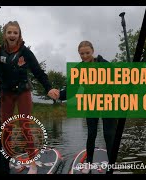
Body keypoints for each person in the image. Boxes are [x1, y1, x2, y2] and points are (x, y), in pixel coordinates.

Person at [0, 21, 59, 174]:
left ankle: (33, 164)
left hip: (23, 92)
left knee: (25, 127)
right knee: (6, 129)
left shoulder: (25, 52)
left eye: (15, 32)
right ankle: (5, 163)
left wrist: (48, 88)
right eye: (9, 32)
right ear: (5, 34)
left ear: (19, 34)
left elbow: (38, 71)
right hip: (6, 93)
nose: (12, 35)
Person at [58, 41, 117, 174]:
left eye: (87, 53)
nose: (84, 56)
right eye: (81, 54)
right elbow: (71, 90)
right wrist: (59, 95)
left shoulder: (105, 64)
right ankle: (89, 163)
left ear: (92, 51)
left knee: (109, 134)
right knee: (91, 133)